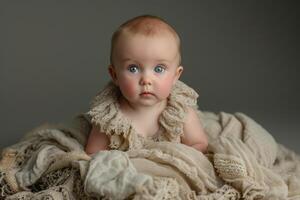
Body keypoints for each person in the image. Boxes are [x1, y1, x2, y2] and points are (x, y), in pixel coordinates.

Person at [85, 15, 208, 155]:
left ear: (176, 75)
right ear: (114, 75)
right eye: (133, 68)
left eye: (159, 69)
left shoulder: (179, 113)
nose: (146, 80)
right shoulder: (109, 117)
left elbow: (199, 144)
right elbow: (93, 154)